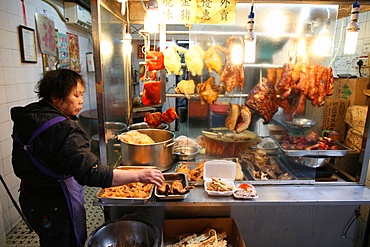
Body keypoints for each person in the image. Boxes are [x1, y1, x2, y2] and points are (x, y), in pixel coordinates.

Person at [10, 69, 165, 247]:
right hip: (58, 203)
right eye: (76, 95)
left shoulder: (30, 117)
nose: (81, 100)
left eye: (82, 95)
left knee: (49, 240)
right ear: (54, 96)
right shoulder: (62, 129)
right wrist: (139, 175)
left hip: (31, 197)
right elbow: (92, 174)